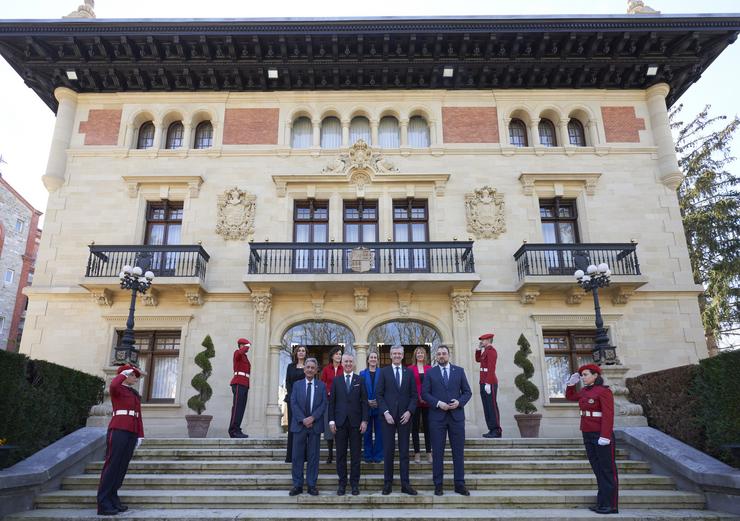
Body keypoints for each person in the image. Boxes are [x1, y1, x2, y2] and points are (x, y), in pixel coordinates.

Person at [565, 364, 618, 515]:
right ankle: (602, 503)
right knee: (597, 469)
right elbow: (570, 397)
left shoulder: (604, 391)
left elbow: (608, 415)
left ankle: (611, 505)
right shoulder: (584, 391)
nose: (583, 377)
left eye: (586, 374)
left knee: (607, 470)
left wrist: (605, 435)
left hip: (600, 434)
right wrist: (571, 384)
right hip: (587, 433)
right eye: (582, 375)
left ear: (595, 375)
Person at [421, 345, 473, 496]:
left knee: (458, 452)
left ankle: (460, 484)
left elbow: (467, 392)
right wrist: (438, 403)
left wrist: (459, 402)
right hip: (437, 418)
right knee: (438, 453)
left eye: (444, 353)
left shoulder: (459, 371)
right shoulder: (430, 373)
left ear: (449, 355)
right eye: (439, 354)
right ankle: (438, 485)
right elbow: (424, 393)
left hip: (456, 417)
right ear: (436, 356)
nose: (441, 356)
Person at [96, 364, 146, 516]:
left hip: (131, 431)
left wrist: (140, 434)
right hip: (118, 429)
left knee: (122, 467)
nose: (135, 378)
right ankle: (103, 502)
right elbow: (113, 384)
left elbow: (138, 415)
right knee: (112, 465)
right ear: (125, 375)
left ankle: (113, 497)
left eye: (135, 376)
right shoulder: (117, 389)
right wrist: (124, 372)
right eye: (132, 375)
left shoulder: (134, 393)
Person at [376, 344, 418, 495]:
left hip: (404, 418)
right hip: (388, 418)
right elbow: (379, 394)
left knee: (404, 452)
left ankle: (405, 484)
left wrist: (409, 412)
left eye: (399, 353)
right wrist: (386, 413)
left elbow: (414, 395)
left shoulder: (409, 372)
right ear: (390, 355)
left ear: (402, 355)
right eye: (394, 353)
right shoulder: (384, 372)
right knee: (388, 451)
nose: (396, 356)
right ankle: (387, 484)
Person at [329, 353, 368, 496]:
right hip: (339, 423)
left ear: (354, 364)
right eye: (346, 362)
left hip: (356, 423)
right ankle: (342, 484)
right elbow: (332, 402)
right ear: (342, 363)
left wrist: (365, 420)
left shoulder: (360, 380)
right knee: (340, 455)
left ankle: (355, 484)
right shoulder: (336, 380)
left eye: (350, 362)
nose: (348, 364)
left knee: (356, 455)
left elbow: (364, 402)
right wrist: (331, 421)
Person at [289, 358, 327, 496]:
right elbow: (293, 403)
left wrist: (313, 418)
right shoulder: (297, 385)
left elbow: (323, 404)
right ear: (304, 369)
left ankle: (311, 485)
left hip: (315, 426)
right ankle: (297, 485)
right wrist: (303, 419)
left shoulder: (321, 386)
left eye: (313, 367)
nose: (310, 369)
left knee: (313, 457)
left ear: (316, 370)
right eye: (308, 367)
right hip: (299, 426)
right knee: (297, 456)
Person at [408, 346, 432, 464]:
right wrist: (418, 396)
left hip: (428, 403)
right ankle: (417, 453)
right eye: (418, 353)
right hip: (415, 402)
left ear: (425, 355)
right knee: (415, 428)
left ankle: (429, 453)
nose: (420, 354)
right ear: (415, 355)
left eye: (422, 352)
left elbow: (432, 385)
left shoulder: (430, 368)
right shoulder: (410, 369)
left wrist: (426, 397)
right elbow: (409, 386)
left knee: (428, 428)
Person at [476, 332, 502, 438]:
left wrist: (488, 382)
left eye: (483, 340)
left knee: (492, 407)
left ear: (488, 340)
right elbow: (478, 360)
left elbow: (491, 368)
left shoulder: (491, 351)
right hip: (483, 381)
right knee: (487, 407)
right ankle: (491, 429)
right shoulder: (485, 351)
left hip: (489, 382)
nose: (481, 342)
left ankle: (497, 430)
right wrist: (478, 349)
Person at [284, 345, 307, 463]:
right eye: (299, 351)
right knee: (293, 427)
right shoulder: (290, 367)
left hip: (305, 402)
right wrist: (293, 396)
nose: (301, 353)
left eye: (303, 351)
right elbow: (288, 382)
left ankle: (303, 455)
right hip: (292, 400)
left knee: (303, 428)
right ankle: (291, 456)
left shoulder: (308, 367)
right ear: (296, 353)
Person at [320, 345, 343, 464]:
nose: (339, 356)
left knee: (339, 428)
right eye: (337, 354)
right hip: (328, 401)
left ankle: (339, 453)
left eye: (340, 354)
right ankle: (330, 454)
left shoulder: (343, 369)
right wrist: (327, 392)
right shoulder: (326, 369)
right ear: (332, 356)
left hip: (340, 402)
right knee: (329, 429)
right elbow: (322, 384)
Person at [360, 349, 383, 463]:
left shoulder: (382, 373)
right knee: (367, 432)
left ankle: (378, 456)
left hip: (379, 407)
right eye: (371, 357)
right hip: (367, 407)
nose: (373, 359)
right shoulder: (362, 374)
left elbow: (384, 389)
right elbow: (361, 391)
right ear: (368, 360)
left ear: (377, 360)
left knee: (380, 433)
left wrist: (378, 401)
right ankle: (368, 456)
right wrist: (367, 401)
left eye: (375, 357)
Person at [228, 338, 251, 438]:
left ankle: (237, 429)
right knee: (237, 408)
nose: (248, 349)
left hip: (245, 384)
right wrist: (247, 345)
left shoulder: (245, 357)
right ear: (241, 345)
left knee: (241, 408)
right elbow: (240, 353)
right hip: (238, 383)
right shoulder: (237, 353)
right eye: (246, 346)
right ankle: (233, 430)